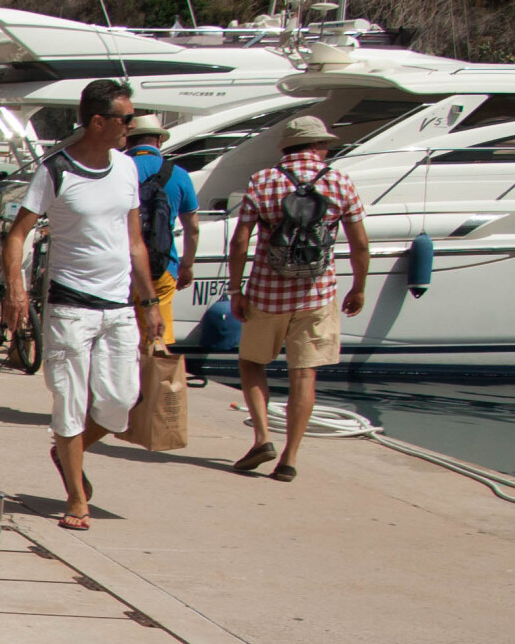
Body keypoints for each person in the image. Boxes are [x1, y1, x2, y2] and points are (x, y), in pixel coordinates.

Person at [1, 79, 158, 532]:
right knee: (69, 403)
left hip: (118, 306)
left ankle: (67, 451)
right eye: (126, 119)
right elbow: (17, 234)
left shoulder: (127, 169)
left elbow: (135, 242)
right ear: (98, 122)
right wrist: (16, 287)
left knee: (119, 403)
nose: (132, 125)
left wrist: (148, 303)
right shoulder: (55, 171)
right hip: (71, 306)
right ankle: (75, 495)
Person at [226, 115, 370, 481]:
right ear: (317, 146)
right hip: (317, 294)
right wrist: (359, 286)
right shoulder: (338, 181)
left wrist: (236, 289)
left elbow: (240, 240)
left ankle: (262, 437)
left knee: (251, 363)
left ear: (286, 148)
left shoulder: (263, 180)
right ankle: (289, 457)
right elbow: (360, 243)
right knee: (303, 374)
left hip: (266, 293)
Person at [125, 114, 201, 350]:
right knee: (156, 336)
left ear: (128, 141)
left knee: (122, 338)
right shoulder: (178, 174)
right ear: (159, 140)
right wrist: (186, 265)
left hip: (120, 265)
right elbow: (193, 228)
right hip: (162, 266)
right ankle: (152, 385)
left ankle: (125, 385)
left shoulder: (116, 169)